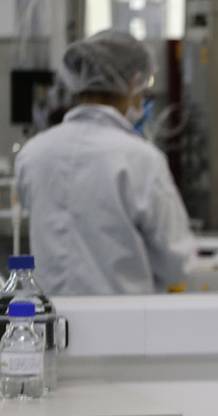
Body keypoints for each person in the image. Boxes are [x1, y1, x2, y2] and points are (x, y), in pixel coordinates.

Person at [15, 30, 195, 295]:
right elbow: (176, 263)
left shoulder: (33, 154)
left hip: (48, 322)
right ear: (135, 82)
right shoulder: (141, 159)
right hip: (122, 322)